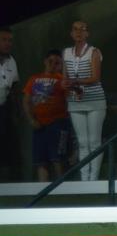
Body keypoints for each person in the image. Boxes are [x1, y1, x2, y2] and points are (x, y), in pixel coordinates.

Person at [63, 21, 106, 182]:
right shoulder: (66, 52)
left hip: (94, 100)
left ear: (87, 33)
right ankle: (84, 180)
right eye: (75, 29)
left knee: (94, 141)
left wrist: (74, 82)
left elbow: (95, 77)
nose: (79, 32)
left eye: (83, 29)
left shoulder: (94, 52)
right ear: (71, 33)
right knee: (82, 142)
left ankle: (93, 180)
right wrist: (67, 83)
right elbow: (66, 77)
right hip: (75, 100)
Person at [22, 50, 72, 184]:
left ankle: (63, 190)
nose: (53, 64)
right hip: (39, 124)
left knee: (58, 158)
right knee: (41, 160)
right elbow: (26, 100)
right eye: (50, 61)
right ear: (45, 61)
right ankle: (42, 191)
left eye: (57, 62)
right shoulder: (34, 79)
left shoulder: (62, 80)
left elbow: (70, 99)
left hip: (58, 123)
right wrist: (31, 120)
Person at [0, 28, 17, 180]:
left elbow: (13, 87)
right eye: (4, 40)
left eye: (9, 40)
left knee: (5, 146)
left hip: (4, 109)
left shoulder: (11, 60)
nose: (7, 43)